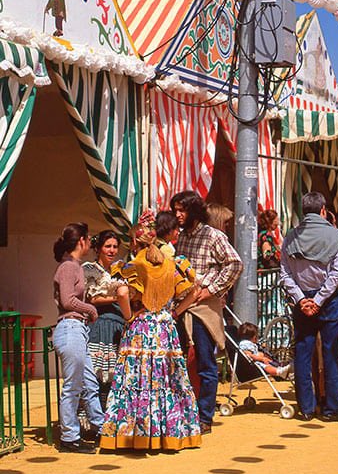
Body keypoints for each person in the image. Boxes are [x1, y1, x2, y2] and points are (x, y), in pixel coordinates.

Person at [100, 217, 201, 451]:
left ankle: (136, 434)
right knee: (168, 380)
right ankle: (171, 435)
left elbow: (123, 292)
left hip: (140, 330)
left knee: (138, 380)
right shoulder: (172, 264)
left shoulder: (133, 266)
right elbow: (193, 291)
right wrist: (175, 312)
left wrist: (128, 316)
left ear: (134, 242)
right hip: (165, 328)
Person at [172, 190, 243, 435]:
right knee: (182, 361)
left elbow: (235, 263)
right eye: (176, 211)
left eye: (182, 210)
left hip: (203, 308)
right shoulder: (179, 238)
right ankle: (184, 411)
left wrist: (212, 289)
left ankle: (205, 416)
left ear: (194, 211)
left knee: (205, 361)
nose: (178, 215)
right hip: (181, 307)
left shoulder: (213, 236)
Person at [280, 192, 338, 421]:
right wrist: (319, 300)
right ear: (323, 210)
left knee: (302, 353)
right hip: (329, 300)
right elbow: (336, 274)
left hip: (302, 303)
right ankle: (331, 408)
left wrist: (302, 299)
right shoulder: (336, 236)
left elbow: (285, 275)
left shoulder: (290, 237)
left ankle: (307, 408)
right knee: (331, 354)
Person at [52, 223, 104, 453]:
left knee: (90, 382)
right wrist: (91, 309)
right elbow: (67, 300)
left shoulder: (74, 266)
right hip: (70, 327)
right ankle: (69, 437)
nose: (90, 242)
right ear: (81, 240)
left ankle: (100, 429)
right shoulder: (68, 267)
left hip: (76, 328)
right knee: (73, 386)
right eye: (89, 238)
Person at [83, 229, 131, 409]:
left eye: (115, 247)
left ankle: (109, 419)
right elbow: (91, 298)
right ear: (98, 248)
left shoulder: (121, 269)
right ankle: (92, 421)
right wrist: (119, 298)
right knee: (96, 375)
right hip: (99, 325)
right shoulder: (89, 269)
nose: (111, 250)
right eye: (107, 246)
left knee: (114, 377)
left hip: (118, 327)